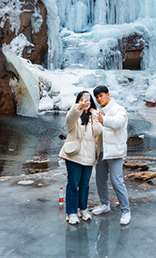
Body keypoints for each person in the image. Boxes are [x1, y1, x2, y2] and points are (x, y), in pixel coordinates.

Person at [59, 90, 102, 225]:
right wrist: (79, 107)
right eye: (82, 99)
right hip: (73, 155)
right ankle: (71, 212)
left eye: (87, 100)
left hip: (89, 156)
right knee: (73, 184)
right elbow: (69, 118)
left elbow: (98, 131)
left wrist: (94, 113)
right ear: (78, 101)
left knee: (84, 184)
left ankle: (83, 209)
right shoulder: (75, 117)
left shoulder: (92, 117)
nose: (85, 102)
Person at [91, 85, 132, 226]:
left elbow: (118, 123)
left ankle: (126, 211)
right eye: (96, 97)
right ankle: (105, 205)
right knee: (100, 180)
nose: (99, 99)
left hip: (114, 152)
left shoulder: (119, 109)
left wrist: (103, 120)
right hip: (101, 151)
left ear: (108, 94)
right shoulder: (98, 110)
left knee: (116, 180)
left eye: (101, 95)